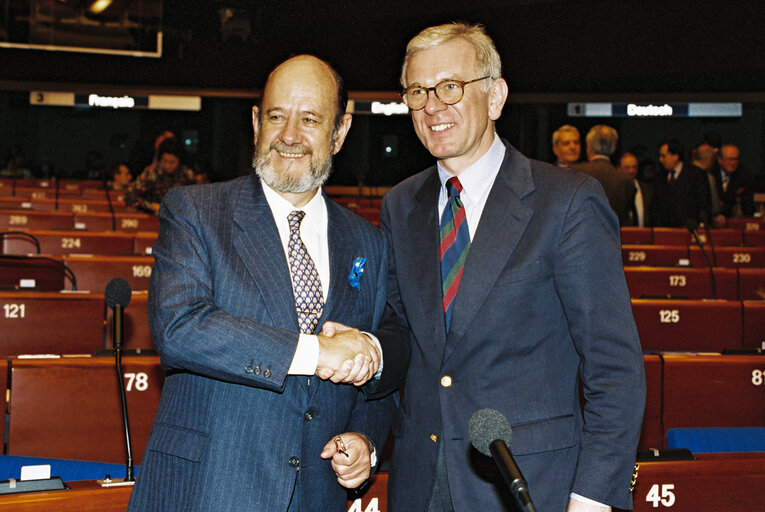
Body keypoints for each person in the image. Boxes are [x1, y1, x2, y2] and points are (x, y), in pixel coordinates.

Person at [370, 22, 645, 512]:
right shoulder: (399, 205)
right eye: (417, 91)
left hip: (530, 484)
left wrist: (594, 496)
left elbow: (614, 367)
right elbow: (404, 342)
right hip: (418, 484)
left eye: (450, 86)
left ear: (495, 97)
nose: (432, 106)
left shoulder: (568, 202)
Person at [127, 55, 400, 512]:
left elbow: (377, 370)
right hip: (208, 490)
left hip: (318, 496)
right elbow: (180, 329)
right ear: (256, 122)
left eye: (310, 119)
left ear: (340, 132)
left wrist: (365, 438)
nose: (289, 136)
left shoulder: (369, 243)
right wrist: (317, 352)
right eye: (276, 116)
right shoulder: (196, 211)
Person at [571, 125, 635, 225]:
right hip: (612, 238)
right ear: (614, 147)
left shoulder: (573, 172)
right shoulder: (627, 182)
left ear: (589, 146)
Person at [123, 138, 197, 213]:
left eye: (172, 162)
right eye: (164, 161)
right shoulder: (152, 173)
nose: (167, 166)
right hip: (153, 218)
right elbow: (130, 195)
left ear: (180, 160)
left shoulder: (187, 175)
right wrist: (151, 206)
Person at [652, 139, 711, 227]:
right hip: (665, 231)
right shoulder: (659, 178)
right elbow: (656, 208)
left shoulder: (696, 174)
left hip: (689, 229)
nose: (661, 160)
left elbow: (703, 204)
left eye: (663, 156)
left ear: (675, 156)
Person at [714, 144, 755, 219]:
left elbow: (748, 205)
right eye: (730, 159)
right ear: (719, 159)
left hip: (733, 217)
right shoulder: (712, 173)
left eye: (735, 159)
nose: (733, 163)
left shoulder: (744, 174)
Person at [618, 151, 653, 227]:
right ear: (619, 169)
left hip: (645, 235)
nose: (631, 171)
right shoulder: (616, 190)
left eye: (634, 167)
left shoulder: (647, 189)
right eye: (627, 167)